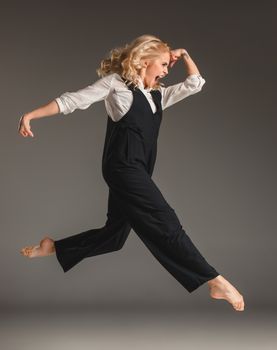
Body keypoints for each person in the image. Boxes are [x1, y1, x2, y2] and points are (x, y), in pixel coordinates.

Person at [18, 34, 245, 311]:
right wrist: (30, 115)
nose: (164, 70)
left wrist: (183, 55)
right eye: (162, 64)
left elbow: (195, 83)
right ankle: (213, 280)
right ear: (143, 62)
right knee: (164, 219)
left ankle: (53, 247)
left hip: (139, 170)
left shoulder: (157, 95)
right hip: (122, 168)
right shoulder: (117, 87)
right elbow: (73, 100)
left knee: (115, 236)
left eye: (167, 67)